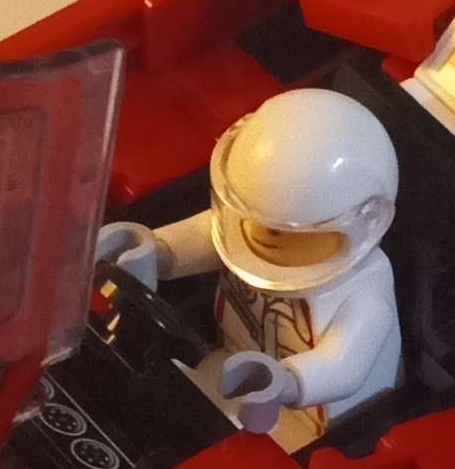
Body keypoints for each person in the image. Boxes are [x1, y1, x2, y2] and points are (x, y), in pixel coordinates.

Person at [97, 88, 401, 450]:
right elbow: (205, 235)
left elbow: (344, 363)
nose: (262, 234)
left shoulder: (366, 289)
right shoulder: (245, 226)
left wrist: (287, 382)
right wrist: (153, 249)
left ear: (366, 222)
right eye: (252, 216)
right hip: (231, 369)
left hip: (311, 424)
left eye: (290, 231)